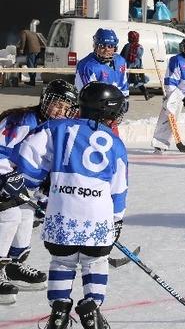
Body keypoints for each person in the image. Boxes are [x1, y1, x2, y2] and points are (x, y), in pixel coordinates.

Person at [12, 81, 128, 328]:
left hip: (61, 213)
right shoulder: (115, 144)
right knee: (95, 262)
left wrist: (34, 180)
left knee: (62, 262)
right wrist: (117, 219)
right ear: (106, 112)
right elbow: (119, 189)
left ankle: (59, 309)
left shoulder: (56, 127)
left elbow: (29, 155)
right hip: (97, 217)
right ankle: (91, 306)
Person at [0, 80, 77, 304]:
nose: (60, 111)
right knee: (10, 215)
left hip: (20, 187)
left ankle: (13, 265)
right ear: (45, 100)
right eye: (56, 104)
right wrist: (7, 176)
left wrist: (45, 195)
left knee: (25, 215)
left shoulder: (58, 128)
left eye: (66, 107)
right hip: (4, 180)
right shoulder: (21, 120)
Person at [74, 29, 129, 98]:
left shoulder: (120, 61)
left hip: (116, 103)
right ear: (95, 46)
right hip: (96, 104)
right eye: (102, 46)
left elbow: (123, 86)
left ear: (115, 48)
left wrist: (124, 101)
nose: (107, 49)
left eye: (110, 46)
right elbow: (86, 95)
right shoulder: (86, 66)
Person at [120, 31, 150, 100]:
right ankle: (146, 94)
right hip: (137, 67)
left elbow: (122, 56)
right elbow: (139, 58)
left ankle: (124, 95)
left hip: (127, 67)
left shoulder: (127, 46)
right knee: (139, 82)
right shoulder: (140, 47)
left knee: (125, 81)